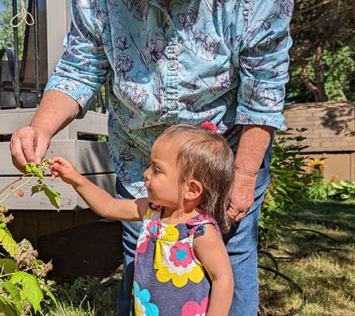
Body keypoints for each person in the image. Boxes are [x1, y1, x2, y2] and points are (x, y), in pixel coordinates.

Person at [10, 0, 293, 314]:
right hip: (141, 160)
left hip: (219, 164)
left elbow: (262, 94)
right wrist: (40, 128)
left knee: (230, 271)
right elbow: (82, 62)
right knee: (143, 266)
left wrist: (242, 178)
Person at [49, 124, 235, 316]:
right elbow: (108, 206)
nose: (146, 173)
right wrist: (76, 180)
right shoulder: (152, 211)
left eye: (157, 170)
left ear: (191, 189)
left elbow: (223, 279)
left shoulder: (200, 232)